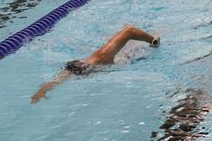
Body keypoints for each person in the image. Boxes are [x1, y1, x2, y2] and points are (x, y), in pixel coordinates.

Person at [31, 25, 160, 103]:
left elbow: (129, 31)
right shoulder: (79, 68)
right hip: (122, 56)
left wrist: (153, 42)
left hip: (138, 47)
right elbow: (59, 79)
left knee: (156, 34)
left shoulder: (101, 58)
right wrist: (42, 91)